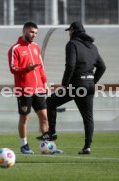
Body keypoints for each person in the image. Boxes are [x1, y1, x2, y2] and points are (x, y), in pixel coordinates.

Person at [37, 21, 106, 154]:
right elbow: (102, 67)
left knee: (50, 102)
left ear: (73, 31)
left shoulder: (72, 44)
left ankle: (51, 133)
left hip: (75, 85)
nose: (68, 33)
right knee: (88, 118)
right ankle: (87, 147)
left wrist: (64, 84)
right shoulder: (92, 47)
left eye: (69, 31)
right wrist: (92, 82)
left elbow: (70, 66)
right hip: (89, 86)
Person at [8, 22, 49, 154]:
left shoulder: (36, 47)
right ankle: (24, 145)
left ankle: (47, 146)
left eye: (35, 33)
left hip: (39, 89)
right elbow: (13, 69)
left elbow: (41, 67)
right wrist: (27, 69)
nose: (33, 35)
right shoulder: (15, 48)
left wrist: (45, 83)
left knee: (44, 117)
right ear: (24, 30)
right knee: (24, 118)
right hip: (24, 90)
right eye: (31, 32)